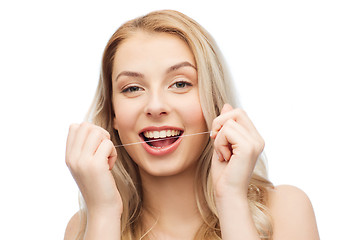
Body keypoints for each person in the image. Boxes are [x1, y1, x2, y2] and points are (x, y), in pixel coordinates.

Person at [64, 10, 319, 240]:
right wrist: (104, 213)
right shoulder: (84, 228)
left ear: (213, 99)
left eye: (180, 84)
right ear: (113, 115)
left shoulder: (286, 210)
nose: (155, 106)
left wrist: (231, 200)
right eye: (133, 88)